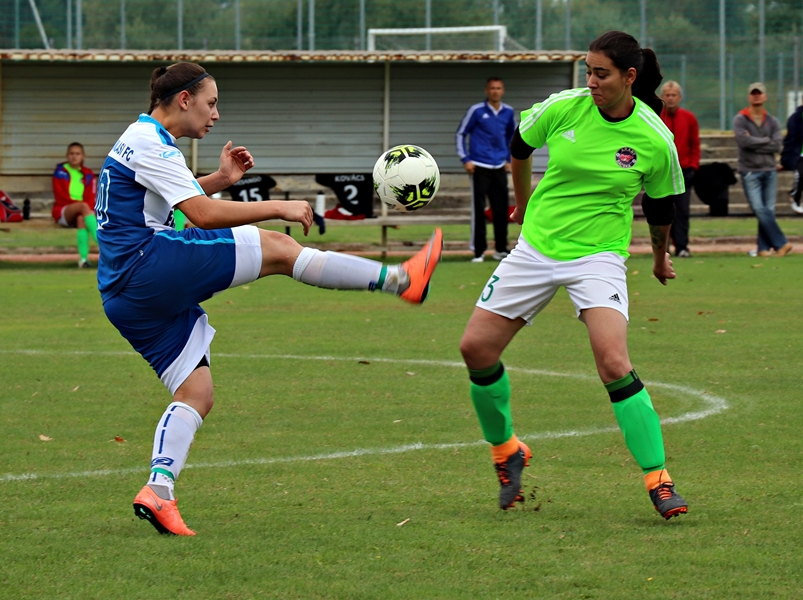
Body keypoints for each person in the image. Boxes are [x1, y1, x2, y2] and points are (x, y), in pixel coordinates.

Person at [97, 62, 443, 536]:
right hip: (148, 265)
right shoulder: (150, 142)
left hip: (123, 292)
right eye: (211, 102)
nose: (216, 114)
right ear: (184, 99)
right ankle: (402, 279)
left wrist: (220, 179)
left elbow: (166, 202)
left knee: (196, 393)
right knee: (280, 249)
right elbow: (198, 216)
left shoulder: (143, 140)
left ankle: (159, 491)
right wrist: (278, 206)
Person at [458, 31, 689, 521]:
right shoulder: (565, 107)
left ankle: (659, 479)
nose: (591, 81)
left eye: (601, 74)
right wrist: (521, 202)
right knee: (475, 349)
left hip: (597, 256)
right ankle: (507, 451)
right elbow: (519, 147)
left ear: (629, 77)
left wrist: (659, 256)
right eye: (587, 70)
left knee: (613, 360)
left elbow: (662, 205)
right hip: (537, 248)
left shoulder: (654, 137)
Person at [456, 77, 516, 263]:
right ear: (487, 91)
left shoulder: (508, 112)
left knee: (500, 210)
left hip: (499, 166)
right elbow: (461, 133)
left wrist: (509, 160)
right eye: (492, 88)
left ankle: (500, 249)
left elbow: (512, 138)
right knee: (479, 210)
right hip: (479, 166)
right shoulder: (476, 111)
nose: (495, 91)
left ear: (503, 90)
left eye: (498, 88)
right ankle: (478, 251)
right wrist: (466, 159)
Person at [733, 82, 791, 257]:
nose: (756, 96)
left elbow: (777, 145)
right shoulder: (740, 119)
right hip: (749, 170)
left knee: (768, 210)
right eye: (753, 93)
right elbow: (744, 142)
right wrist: (766, 140)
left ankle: (763, 248)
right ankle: (782, 243)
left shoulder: (772, 121)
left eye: (760, 93)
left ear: (765, 96)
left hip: (770, 170)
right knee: (759, 208)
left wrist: (756, 142)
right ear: (749, 96)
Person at [659, 81, 700, 257]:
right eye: (667, 95)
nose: (670, 98)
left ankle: (682, 247)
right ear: (662, 97)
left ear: (680, 97)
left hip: (683, 171)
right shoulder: (656, 116)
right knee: (661, 211)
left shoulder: (689, 117)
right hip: (661, 172)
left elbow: (694, 143)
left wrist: (693, 166)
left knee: (682, 211)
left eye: (673, 95)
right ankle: (662, 248)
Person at [52, 142, 98, 267]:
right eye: (71, 153)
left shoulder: (88, 174)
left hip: (81, 212)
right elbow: (60, 197)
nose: (74, 156)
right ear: (67, 155)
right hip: (63, 210)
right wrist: (78, 206)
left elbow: (91, 198)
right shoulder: (60, 172)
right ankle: (103, 245)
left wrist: (81, 209)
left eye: (77, 154)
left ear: (83, 156)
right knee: (83, 207)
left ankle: (83, 260)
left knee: (81, 219)